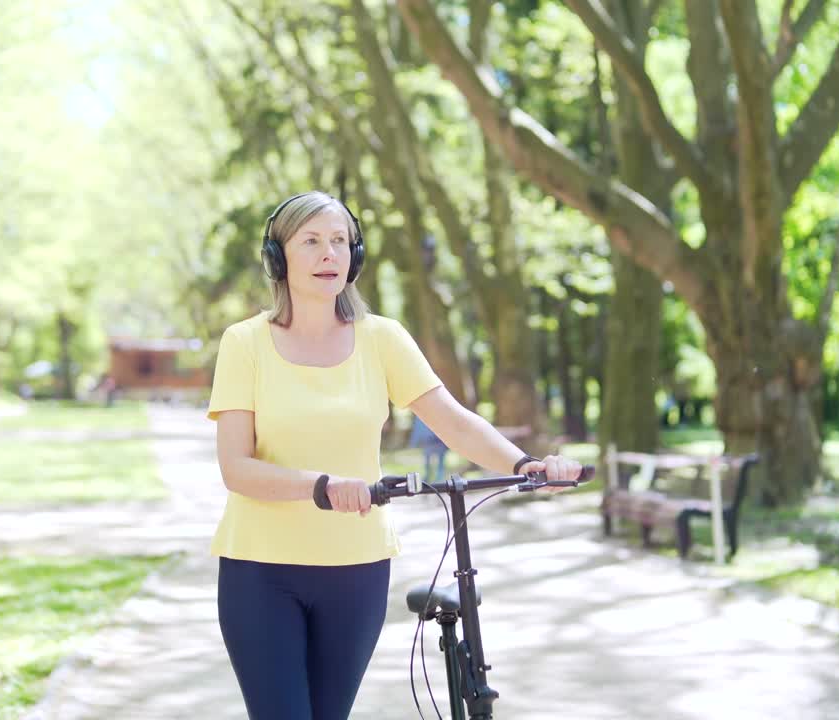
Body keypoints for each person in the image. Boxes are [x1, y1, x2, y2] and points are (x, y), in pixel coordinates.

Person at [206, 191, 583, 720]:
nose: (328, 254)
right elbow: (236, 467)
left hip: (357, 571)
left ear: (355, 258)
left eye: (340, 241)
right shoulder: (244, 343)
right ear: (278, 257)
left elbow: (454, 422)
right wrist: (321, 485)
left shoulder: (382, 339)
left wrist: (525, 466)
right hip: (262, 571)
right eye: (311, 241)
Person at [409, 413, 449, 485]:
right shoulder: (439, 413)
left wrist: (413, 443)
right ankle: (437, 480)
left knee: (432, 462)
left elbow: (417, 430)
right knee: (439, 462)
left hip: (432, 442)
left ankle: (433, 479)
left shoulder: (420, 414)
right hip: (435, 442)